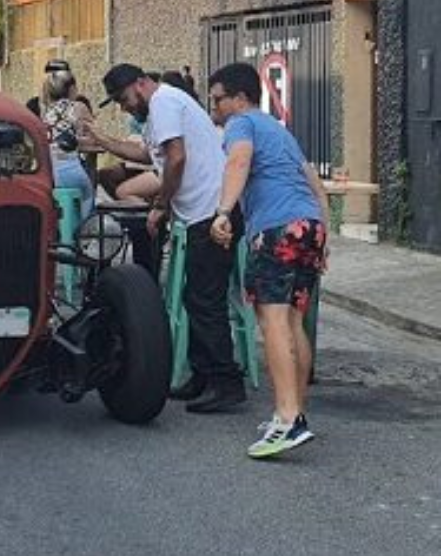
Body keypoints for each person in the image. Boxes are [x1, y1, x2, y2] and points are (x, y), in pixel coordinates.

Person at [82, 63, 246, 412]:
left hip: (210, 212)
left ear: (141, 84)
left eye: (124, 99)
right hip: (204, 213)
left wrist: (161, 204)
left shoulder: (164, 103)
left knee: (205, 301)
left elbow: (176, 158)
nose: (125, 107)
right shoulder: (161, 111)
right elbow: (148, 154)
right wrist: (102, 140)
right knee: (196, 297)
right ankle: (203, 376)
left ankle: (225, 382)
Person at [207, 62, 328, 459]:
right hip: (307, 225)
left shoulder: (241, 125)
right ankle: (296, 414)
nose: (214, 110)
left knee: (272, 320)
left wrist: (223, 211)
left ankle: (288, 417)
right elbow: (314, 185)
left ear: (240, 98)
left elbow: (238, 162)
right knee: (294, 320)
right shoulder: (280, 130)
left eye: (217, 100)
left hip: (276, 227)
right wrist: (322, 240)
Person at [41, 68, 95, 217]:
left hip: (51, 174)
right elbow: (95, 139)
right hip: (74, 170)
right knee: (89, 195)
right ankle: (86, 232)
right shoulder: (78, 107)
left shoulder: (46, 112)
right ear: (72, 88)